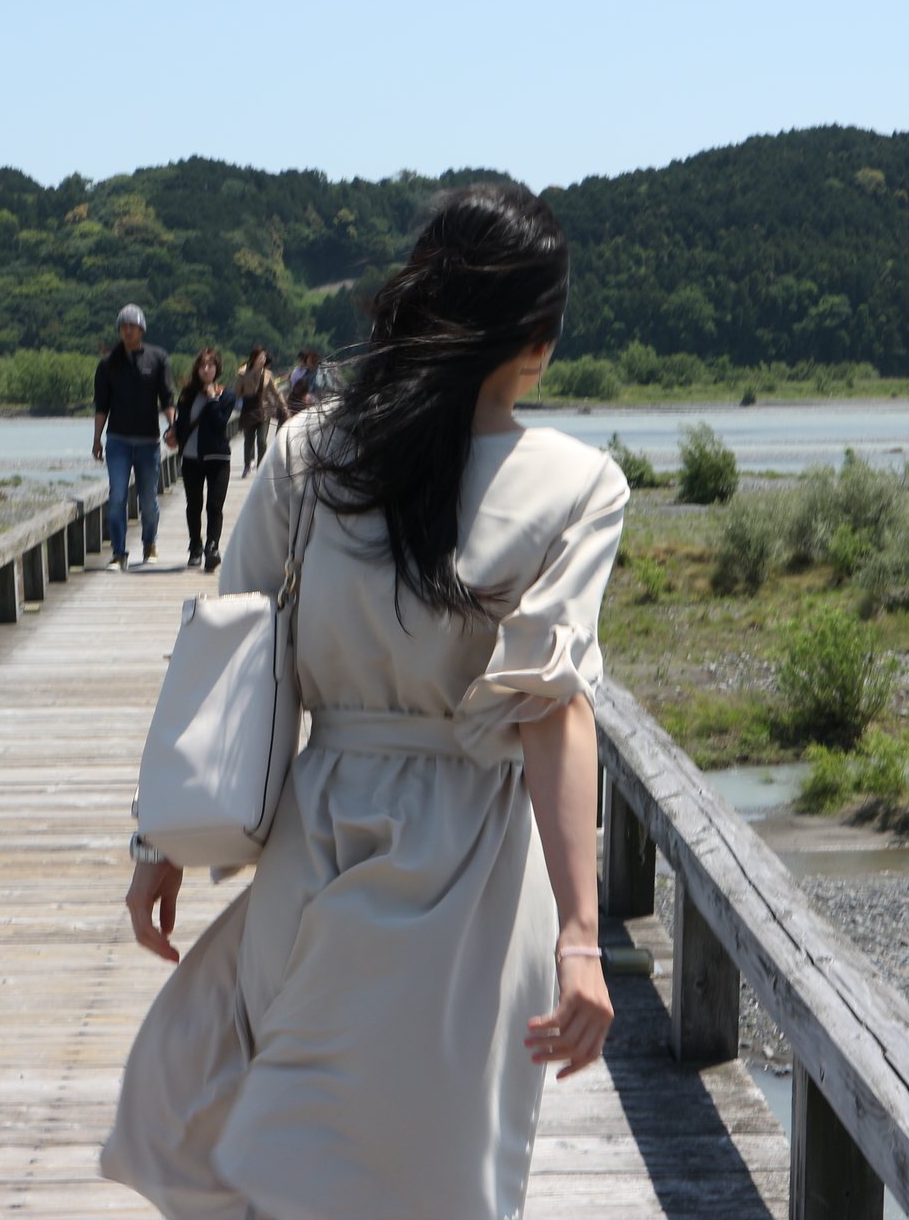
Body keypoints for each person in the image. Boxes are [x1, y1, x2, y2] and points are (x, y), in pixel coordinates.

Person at [103, 184, 629, 1218]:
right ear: (538, 336)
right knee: (427, 1171)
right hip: (471, 862)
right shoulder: (577, 483)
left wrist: (158, 845)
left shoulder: (309, 455)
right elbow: (553, 708)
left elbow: (235, 660)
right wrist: (580, 936)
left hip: (321, 829)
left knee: (269, 1142)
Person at [92, 304, 175, 569]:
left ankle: (149, 544)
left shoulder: (158, 358)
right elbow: (101, 405)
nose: (128, 330)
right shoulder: (108, 364)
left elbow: (167, 399)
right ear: (119, 330)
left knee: (148, 500)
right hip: (117, 440)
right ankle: (119, 552)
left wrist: (173, 426)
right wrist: (97, 439)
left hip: (148, 441)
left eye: (133, 326)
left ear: (142, 329)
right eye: (124, 326)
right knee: (117, 496)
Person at [167, 347, 241, 571]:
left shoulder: (226, 394)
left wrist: (211, 399)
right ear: (197, 369)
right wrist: (172, 434)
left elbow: (220, 424)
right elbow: (182, 423)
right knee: (194, 504)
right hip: (191, 457)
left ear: (217, 368)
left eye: (210, 365)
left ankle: (212, 547)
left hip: (218, 457)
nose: (206, 369)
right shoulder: (187, 394)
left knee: (214, 506)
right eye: (202, 365)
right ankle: (195, 547)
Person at [231, 345, 287, 477]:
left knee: (262, 441)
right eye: (261, 357)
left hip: (263, 412)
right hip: (248, 411)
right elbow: (235, 393)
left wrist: (284, 406)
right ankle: (246, 465)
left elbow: (276, 393)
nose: (263, 359)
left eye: (264, 357)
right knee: (248, 440)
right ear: (254, 358)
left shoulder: (268, 375)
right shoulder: (243, 373)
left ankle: (261, 467)